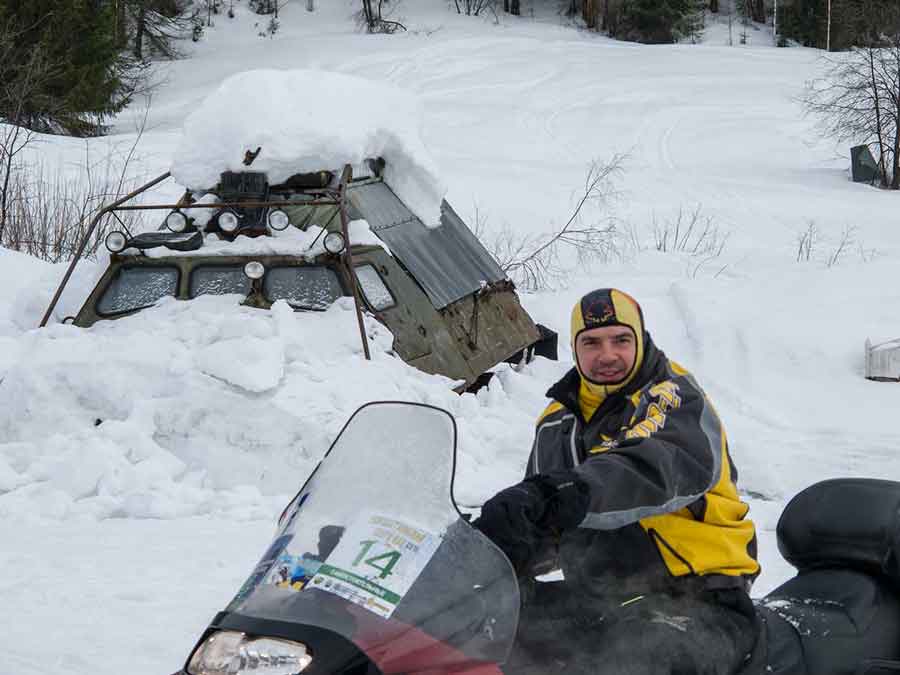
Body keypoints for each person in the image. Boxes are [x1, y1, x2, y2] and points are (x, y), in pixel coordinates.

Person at [475, 288, 760, 675]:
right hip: (606, 598)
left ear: (640, 340)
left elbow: (647, 468)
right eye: (591, 342)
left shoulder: (671, 397)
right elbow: (545, 524)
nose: (606, 354)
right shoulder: (556, 423)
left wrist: (555, 495)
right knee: (482, 635)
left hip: (700, 597)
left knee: (633, 665)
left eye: (621, 340)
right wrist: (491, 548)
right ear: (575, 350)